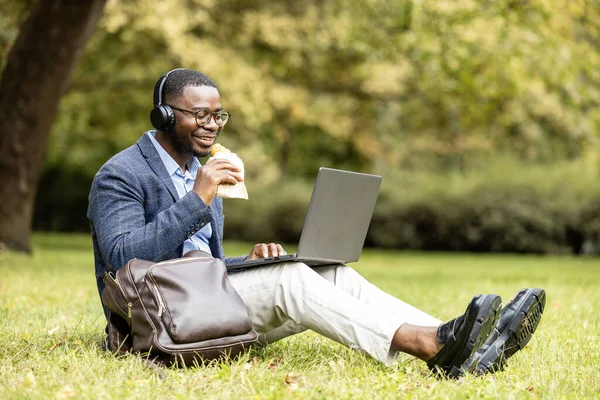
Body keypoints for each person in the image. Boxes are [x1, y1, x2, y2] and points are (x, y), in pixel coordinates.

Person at [87, 68, 546, 378]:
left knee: (329, 271)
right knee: (289, 281)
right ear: (164, 115)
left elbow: (196, 260)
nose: (212, 125)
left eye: (218, 114)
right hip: (159, 325)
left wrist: (246, 263)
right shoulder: (122, 173)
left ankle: (464, 340)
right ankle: (430, 346)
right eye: (199, 114)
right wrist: (198, 197)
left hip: (208, 309)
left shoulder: (197, 170)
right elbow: (123, 259)